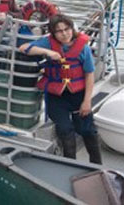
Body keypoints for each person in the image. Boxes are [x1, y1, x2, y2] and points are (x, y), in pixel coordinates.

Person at [19, 14, 102, 164]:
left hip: (78, 95)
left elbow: (89, 75)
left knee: (88, 130)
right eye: (59, 31)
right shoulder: (48, 42)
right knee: (65, 130)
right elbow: (24, 48)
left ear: (72, 28)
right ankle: (70, 164)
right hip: (57, 97)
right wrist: (47, 52)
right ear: (53, 33)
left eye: (67, 29)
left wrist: (87, 101)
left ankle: (97, 165)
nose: (64, 34)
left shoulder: (83, 48)